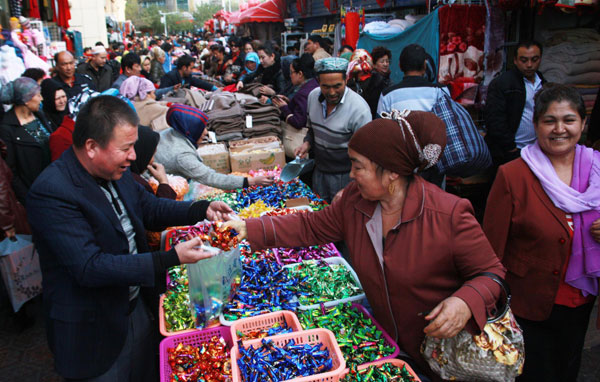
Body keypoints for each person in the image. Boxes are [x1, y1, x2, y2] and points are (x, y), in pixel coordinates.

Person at [225, 110, 506, 381]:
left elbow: (491, 274)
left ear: (392, 172)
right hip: (386, 345)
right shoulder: (354, 203)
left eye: (358, 166)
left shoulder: (448, 214)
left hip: (442, 353)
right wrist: (248, 228)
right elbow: (310, 227)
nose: (350, 174)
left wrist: (465, 301)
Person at [26, 95, 234, 382]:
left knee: (144, 369)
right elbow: (89, 267)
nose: (134, 155)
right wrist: (170, 258)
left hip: (134, 306)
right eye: (125, 148)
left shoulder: (116, 171)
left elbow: (148, 209)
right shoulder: (52, 192)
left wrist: (201, 209)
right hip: (92, 327)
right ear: (91, 147)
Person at [483, 84, 600, 382]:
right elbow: (490, 248)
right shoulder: (513, 175)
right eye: (550, 120)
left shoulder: (597, 169)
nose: (560, 129)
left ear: (583, 124)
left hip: (582, 299)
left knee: (568, 367)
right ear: (535, 125)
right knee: (533, 372)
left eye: (569, 120)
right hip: (528, 303)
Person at [295, 57, 371, 202]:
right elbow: (312, 129)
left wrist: (351, 187)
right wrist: (307, 143)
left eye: (337, 86)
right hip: (320, 172)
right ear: (318, 82)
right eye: (326, 87)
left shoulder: (359, 109)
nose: (331, 92)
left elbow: (367, 156)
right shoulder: (312, 97)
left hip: (346, 176)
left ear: (346, 80)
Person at [155, 104, 274, 190]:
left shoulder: (172, 131)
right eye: (201, 128)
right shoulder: (182, 156)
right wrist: (251, 181)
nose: (206, 132)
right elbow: (210, 177)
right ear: (190, 130)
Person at [484, 41, 546, 169]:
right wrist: (510, 147)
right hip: (510, 151)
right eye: (524, 60)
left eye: (534, 60)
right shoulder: (503, 83)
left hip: (535, 150)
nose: (529, 65)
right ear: (515, 61)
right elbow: (494, 119)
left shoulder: (543, 84)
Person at [0, 77, 52, 205]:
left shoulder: (39, 115)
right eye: (38, 95)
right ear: (26, 100)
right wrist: (27, 197)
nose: (41, 99)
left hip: (52, 181)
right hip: (35, 193)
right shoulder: (7, 128)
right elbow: (11, 171)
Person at [377, 44, 448, 116]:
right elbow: (449, 122)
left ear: (400, 66)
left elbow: (381, 125)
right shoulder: (440, 91)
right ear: (425, 65)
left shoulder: (387, 95)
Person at [272, 53, 319, 129]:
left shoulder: (303, 93)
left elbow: (298, 122)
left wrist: (284, 107)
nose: (290, 75)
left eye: (291, 72)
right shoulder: (314, 83)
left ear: (300, 74)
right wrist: (289, 102)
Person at [0, 139, 30, 240]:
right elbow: (1, 190)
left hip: (8, 217)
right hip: (9, 221)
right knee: (24, 253)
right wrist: (7, 225)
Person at [365, 46, 392, 119]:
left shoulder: (386, 79)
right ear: (374, 64)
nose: (385, 64)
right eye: (382, 61)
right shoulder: (373, 81)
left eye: (387, 61)